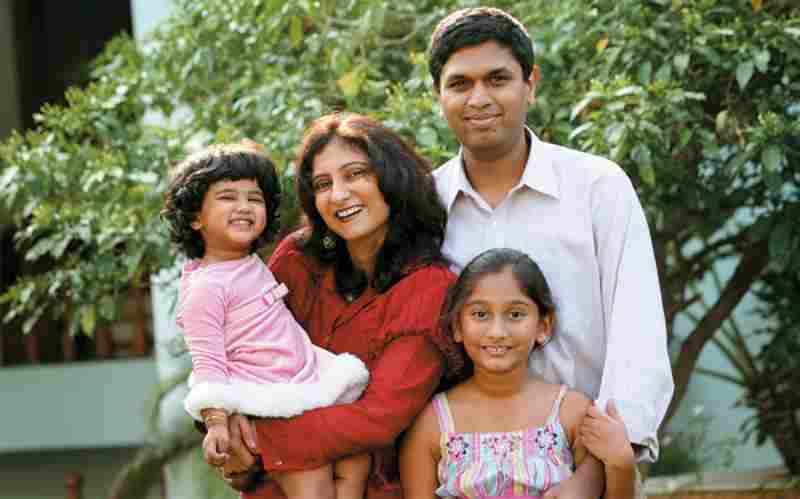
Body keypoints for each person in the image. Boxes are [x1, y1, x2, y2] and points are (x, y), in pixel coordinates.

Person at [428, 6, 674, 495]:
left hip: (587, 469)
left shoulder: (597, 188)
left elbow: (637, 335)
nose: (479, 98)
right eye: (459, 84)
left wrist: (595, 473)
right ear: (439, 95)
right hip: (463, 476)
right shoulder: (424, 207)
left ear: (530, 84)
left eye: (497, 78)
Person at [214, 113, 465, 499]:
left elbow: (376, 419)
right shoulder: (297, 260)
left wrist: (256, 441)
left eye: (356, 174)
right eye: (322, 184)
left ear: (392, 179)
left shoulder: (429, 289)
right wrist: (222, 429)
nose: (338, 194)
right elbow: (240, 349)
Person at [162, 141, 372, 499]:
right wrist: (216, 423)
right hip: (271, 401)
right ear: (195, 216)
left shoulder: (249, 262)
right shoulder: (205, 287)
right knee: (314, 483)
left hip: (304, 380)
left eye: (254, 199)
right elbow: (208, 363)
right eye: (228, 197)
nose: (244, 207)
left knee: (356, 461)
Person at [400, 248, 636, 499]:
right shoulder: (433, 424)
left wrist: (621, 464)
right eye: (480, 314)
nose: (497, 331)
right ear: (457, 326)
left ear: (543, 326)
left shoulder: (572, 414)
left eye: (515, 314)